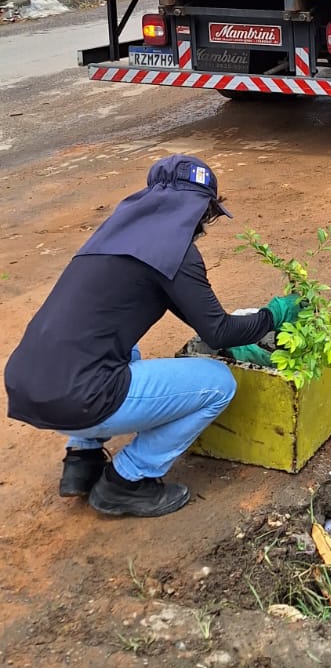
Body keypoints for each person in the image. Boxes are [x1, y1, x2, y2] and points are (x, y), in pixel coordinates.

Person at [3, 156, 303, 518]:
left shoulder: (111, 237)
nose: (202, 226)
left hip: (28, 387)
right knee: (219, 384)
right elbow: (217, 329)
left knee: (124, 348)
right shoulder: (177, 253)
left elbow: (198, 320)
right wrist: (272, 316)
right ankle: (127, 481)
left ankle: (81, 459)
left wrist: (229, 335)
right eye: (205, 215)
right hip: (79, 399)